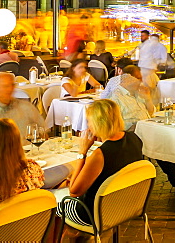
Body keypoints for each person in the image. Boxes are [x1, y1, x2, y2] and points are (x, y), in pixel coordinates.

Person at [55, 99, 143, 232]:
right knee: (64, 183)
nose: (88, 126)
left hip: (94, 213)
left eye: (89, 121)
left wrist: (82, 152)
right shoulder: (134, 138)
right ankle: (81, 238)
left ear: (97, 123)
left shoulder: (100, 154)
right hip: (126, 204)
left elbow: (74, 192)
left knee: (51, 205)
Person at [137, 33, 168, 103]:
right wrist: (156, 62)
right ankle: (153, 105)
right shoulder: (161, 46)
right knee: (154, 89)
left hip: (142, 71)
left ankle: (144, 104)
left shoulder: (144, 45)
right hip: (150, 71)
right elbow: (163, 61)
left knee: (144, 89)